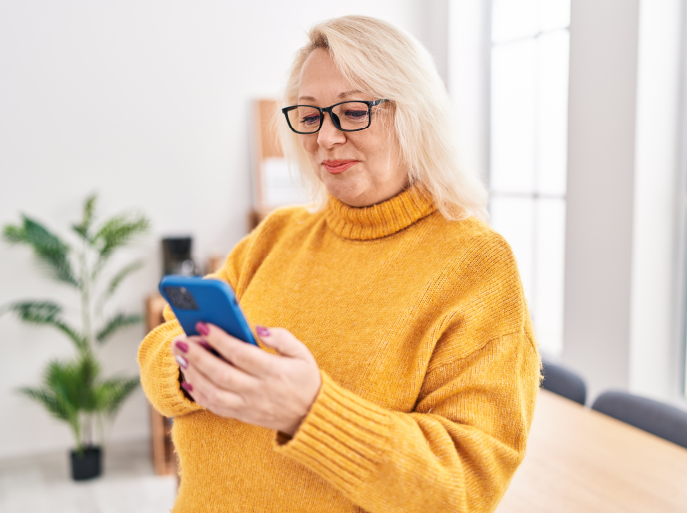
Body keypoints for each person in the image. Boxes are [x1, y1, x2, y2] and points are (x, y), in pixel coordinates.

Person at [139, 15, 540, 513]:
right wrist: (193, 372)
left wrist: (309, 410)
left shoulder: (475, 265)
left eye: (351, 112)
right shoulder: (276, 235)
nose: (325, 139)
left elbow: (463, 486)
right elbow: (159, 343)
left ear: (414, 115)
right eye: (309, 117)